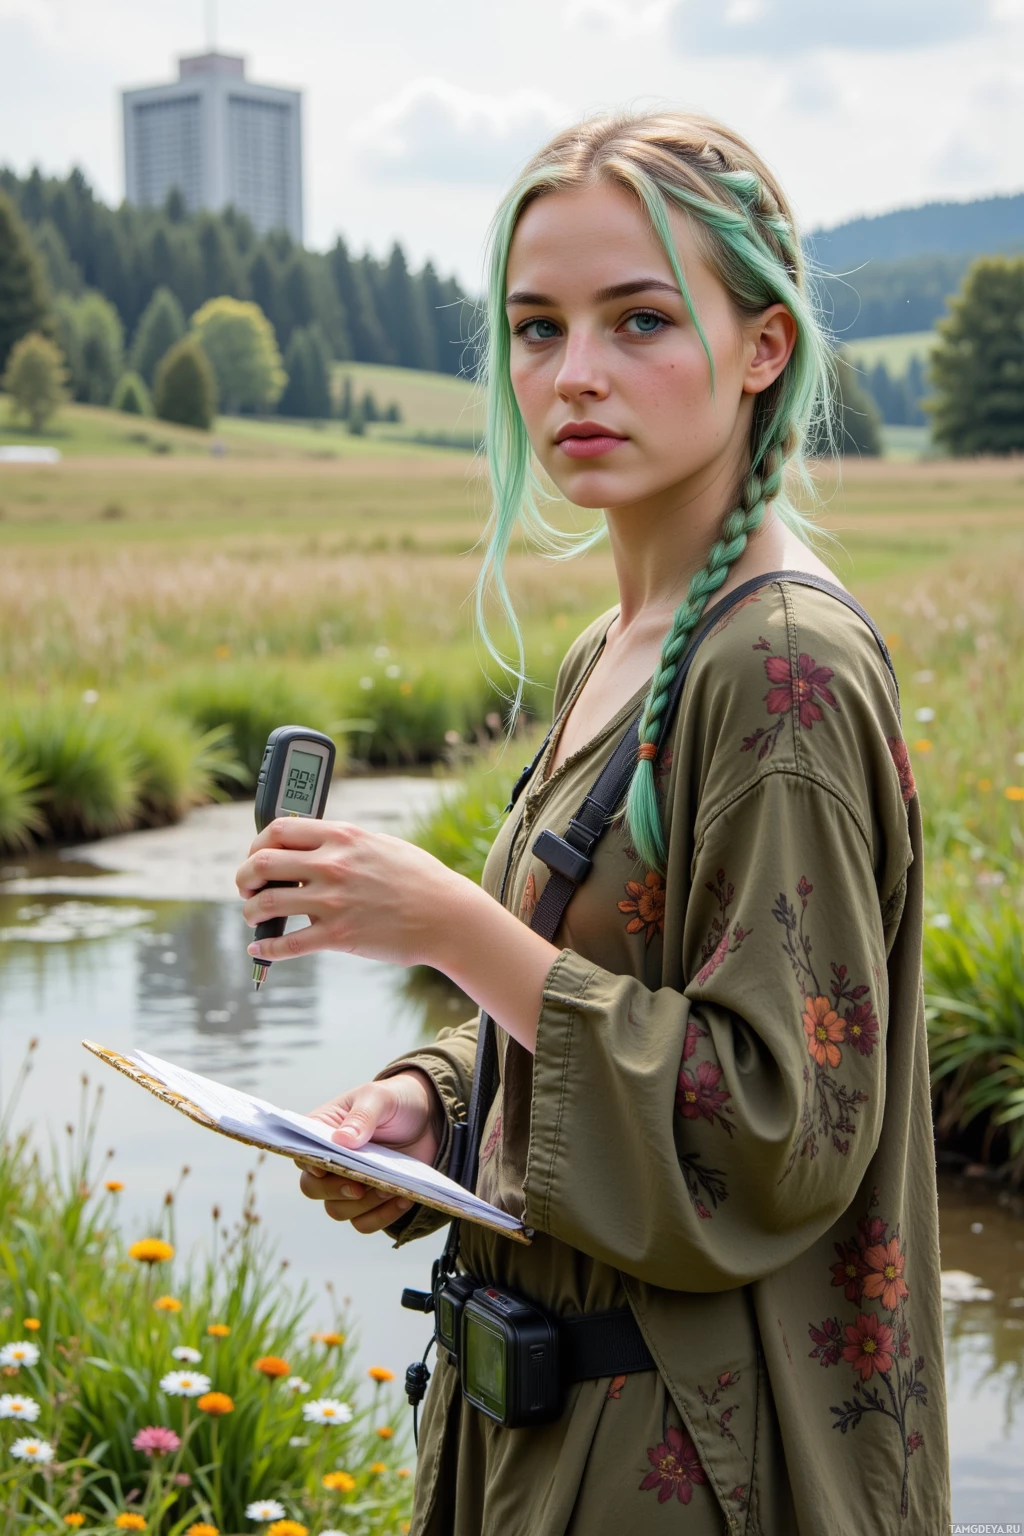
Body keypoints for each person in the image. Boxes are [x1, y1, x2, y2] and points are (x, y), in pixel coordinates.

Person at [235, 111, 949, 1534]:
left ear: (766, 348)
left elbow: (770, 1129)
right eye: (537, 326)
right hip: (551, 1438)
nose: (574, 377)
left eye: (638, 321)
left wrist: (449, 922)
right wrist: (429, 1105)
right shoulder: (620, 644)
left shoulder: (780, 666)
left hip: (709, 1467)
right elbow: (610, 983)